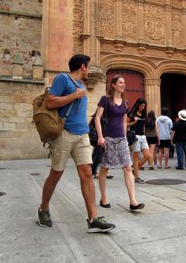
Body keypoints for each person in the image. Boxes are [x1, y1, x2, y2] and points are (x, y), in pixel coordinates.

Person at [38, 54, 115, 233]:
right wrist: (74, 95)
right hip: (64, 134)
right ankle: (43, 208)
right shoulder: (63, 79)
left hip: (82, 135)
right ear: (82, 66)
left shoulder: (81, 85)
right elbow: (50, 102)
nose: (88, 69)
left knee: (87, 173)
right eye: (88, 66)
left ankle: (93, 218)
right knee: (56, 173)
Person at [95, 75, 145, 210]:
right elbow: (97, 118)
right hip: (108, 139)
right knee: (104, 168)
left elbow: (124, 121)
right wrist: (100, 136)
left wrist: (124, 137)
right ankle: (104, 198)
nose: (123, 84)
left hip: (121, 139)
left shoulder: (124, 102)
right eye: (120, 82)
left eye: (124, 82)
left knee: (128, 168)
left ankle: (133, 201)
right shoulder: (105, 100)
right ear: (113, 85)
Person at [127, 98, 150, 183]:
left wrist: (144, 135)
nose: (143, 107)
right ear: (138, 105)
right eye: (141, 106)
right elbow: (124, 124)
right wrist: (133, 123)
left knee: (147, 155)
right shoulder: (131, 114)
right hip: (134, 136)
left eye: (144, 106)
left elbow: (143, 126)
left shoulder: (144, 114)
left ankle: (135, 170)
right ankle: (137, 177)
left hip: (142, 136)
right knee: (136, 157)